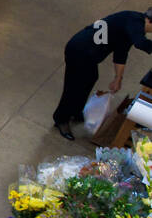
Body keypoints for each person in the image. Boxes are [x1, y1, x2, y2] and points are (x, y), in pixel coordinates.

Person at [52, 10, 152, 140]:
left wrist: (118, 78)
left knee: (90, 78)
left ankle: (76, 111)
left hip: (89, 54)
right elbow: (141, 43)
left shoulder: (133, 25)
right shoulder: (134, 21)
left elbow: (121, 54)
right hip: (80, 50)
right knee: (73, 86)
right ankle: (61, 119)